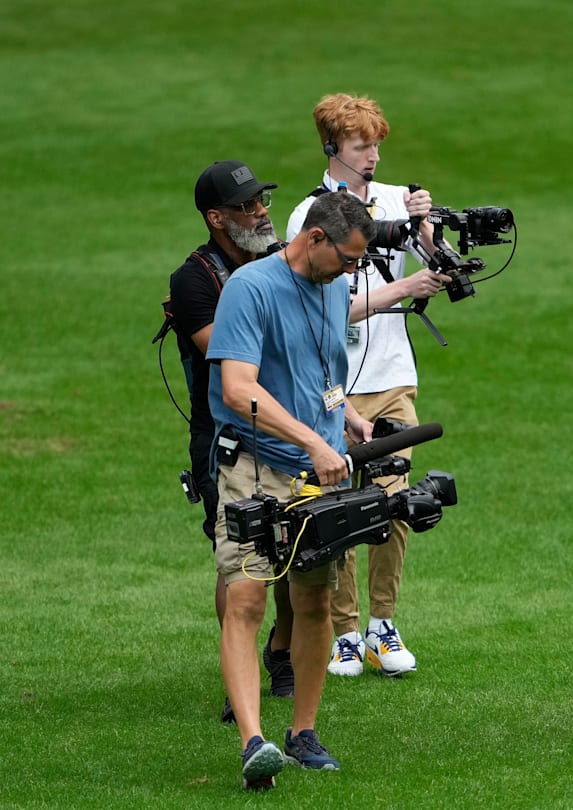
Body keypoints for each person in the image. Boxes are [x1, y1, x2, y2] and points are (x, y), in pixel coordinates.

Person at [209, 191, 376, 789]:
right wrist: (311, 439)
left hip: (320, 472)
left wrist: (348, 415)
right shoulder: (249, 289)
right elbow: (237, 389)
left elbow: (320, 369)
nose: (353, 271)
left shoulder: (332, 285)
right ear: (314, 239)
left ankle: (302, 733)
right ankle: (254, 741)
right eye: (350, 258)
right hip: (257, 468)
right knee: (249, 598)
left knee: (313, 601)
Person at [286, 93, 447, 679]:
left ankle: (382, 626)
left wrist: (427, 226)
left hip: (392, 377)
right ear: (332, 148)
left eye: (377, 144)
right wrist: (404, 291)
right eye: (362, 146)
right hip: (333, 383)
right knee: (338, 509)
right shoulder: (308, 216)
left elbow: (438, 263)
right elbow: (323, 310)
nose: (374, 156)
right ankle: (344, 632)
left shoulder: (395, 200)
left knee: (393, 502)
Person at [168, 161, 295, 721]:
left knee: (298, 546)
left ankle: (282, 649)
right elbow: (228, 353)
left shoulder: (282, 258)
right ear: (216, 218)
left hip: (292, 420)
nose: (261, 210)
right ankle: (238, 675)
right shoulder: (194, 279)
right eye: (247, 206)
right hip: (222, 434)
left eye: (263, 200)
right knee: (237, 563)